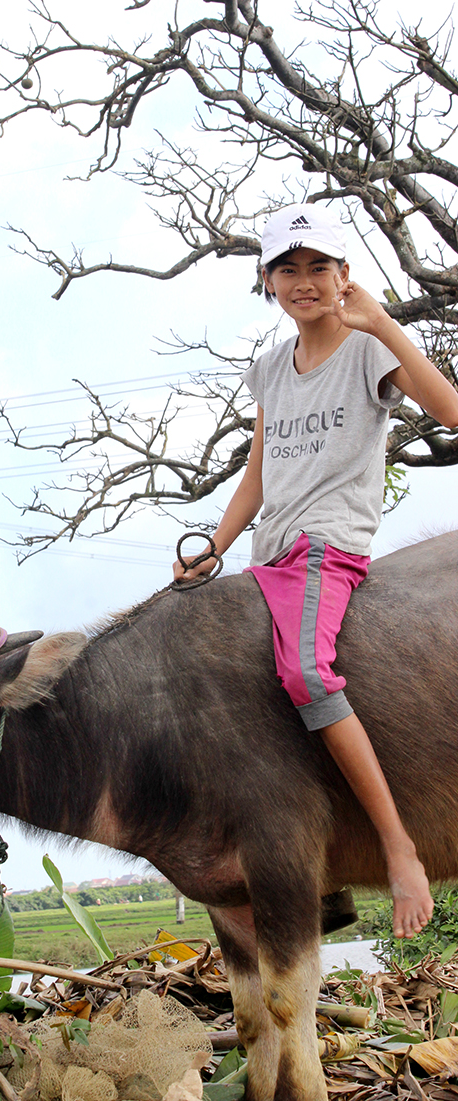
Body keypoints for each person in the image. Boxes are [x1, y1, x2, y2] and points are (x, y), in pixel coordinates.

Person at [173, 203, 458, 939]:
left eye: (319, 268)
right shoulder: (270, 366)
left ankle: (400, 852)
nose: (304, 282)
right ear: (267, 281)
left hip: (328, 547)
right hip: (270, 553)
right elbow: (258, 473)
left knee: (305, 671)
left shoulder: (370, 350)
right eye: (288, 269)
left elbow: (451, 412)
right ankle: (323, 879)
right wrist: (216, 547)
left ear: (344, 277)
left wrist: (385, 323)